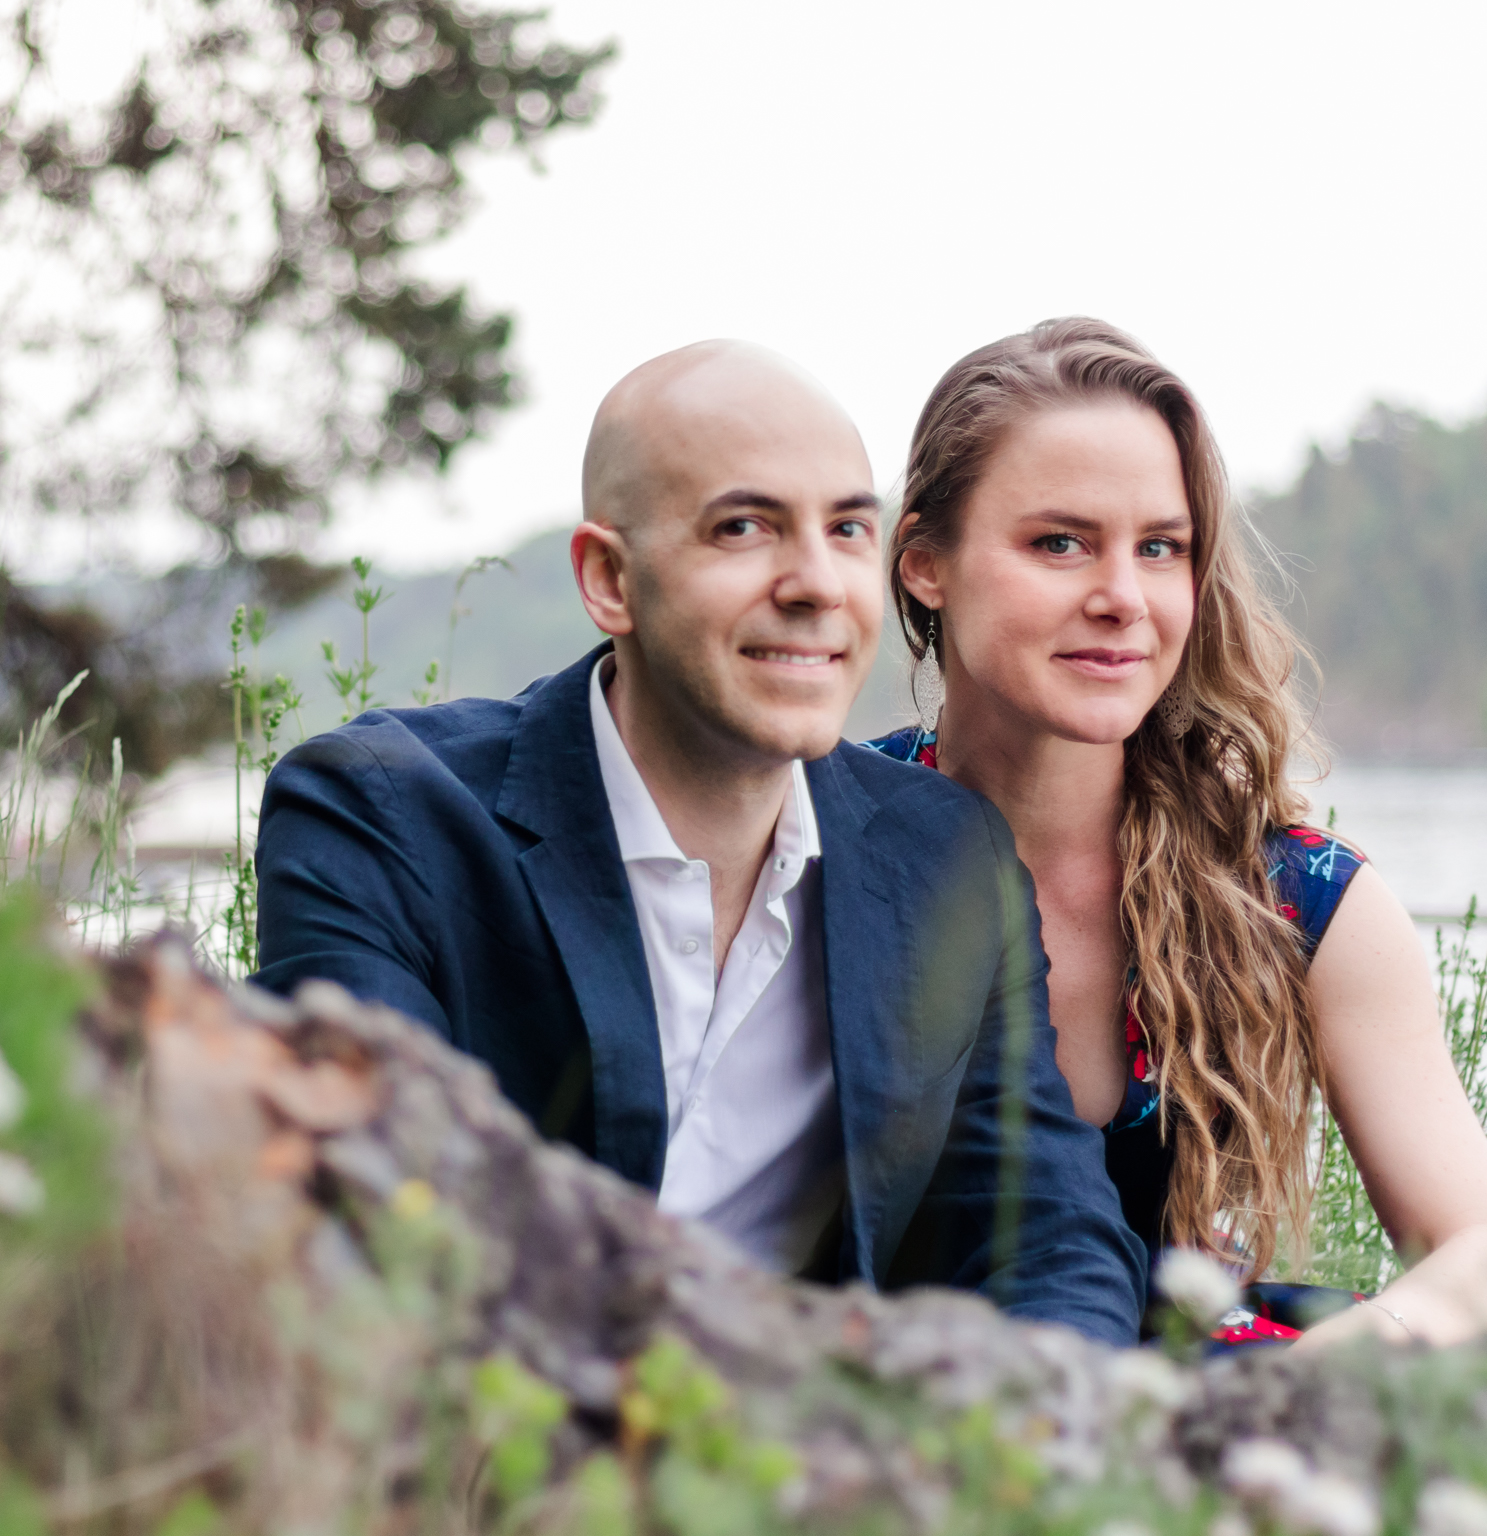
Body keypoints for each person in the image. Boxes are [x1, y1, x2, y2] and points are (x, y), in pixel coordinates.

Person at [253, 340, 1147, 1344]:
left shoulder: (945, 858)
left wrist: (1032, 1454)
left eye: (846, 528)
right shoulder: (382, 818)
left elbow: (1048, 1238)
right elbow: (373, 1222)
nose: (814, 583)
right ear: (608, 580)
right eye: (744, 527)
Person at [873, 317, 1487, 1376]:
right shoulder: (826, 845)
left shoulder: (1291, 894)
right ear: (924, 561)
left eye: (1159, 547)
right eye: (1058, 542)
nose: (1119, 597)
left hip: (1220, 1390)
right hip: (921, 1394)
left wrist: (1320, 1379)